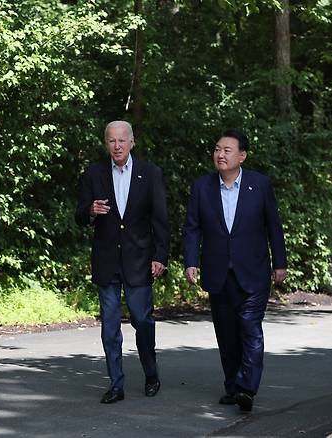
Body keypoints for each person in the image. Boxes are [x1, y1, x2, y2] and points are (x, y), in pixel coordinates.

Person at [183, 129, 287, 412]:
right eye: (217, 149)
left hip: (253, 271)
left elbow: (273, 226)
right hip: (218, 271)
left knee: (250, 327)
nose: (220, 154)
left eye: (227, 150)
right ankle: (233, 385)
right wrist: (191, 261)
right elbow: (193, 227)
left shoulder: (260, 185)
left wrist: (280, 262)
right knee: (227, 333)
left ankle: (247, 388)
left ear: (242, 156)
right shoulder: (202, 187)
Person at [75, 120, 170, 404]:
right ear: (106, 143)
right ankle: (116, 383)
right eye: (111, 141)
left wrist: (160, 256)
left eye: (122, 140)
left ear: (132, 142)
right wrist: (90, 211)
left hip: (139, 260)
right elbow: (79, 216)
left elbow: (160, 219)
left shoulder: (149, 173)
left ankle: (151, 373)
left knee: (143, 320)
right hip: (106, 260)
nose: (117, 146)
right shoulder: (94, 174)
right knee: (110, 326)